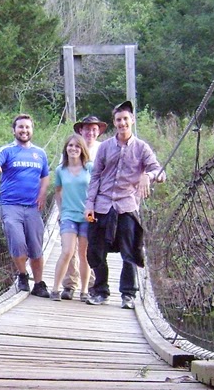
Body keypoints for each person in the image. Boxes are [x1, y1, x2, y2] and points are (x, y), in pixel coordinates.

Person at [84, 100, 165, 309]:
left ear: (132, 120)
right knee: (95, 250)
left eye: (125, 119)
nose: (122, 123)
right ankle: (100, 290)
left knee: (129, 251)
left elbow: (160, 171)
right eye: (118, 120)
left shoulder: (142, 148)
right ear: (114, 122)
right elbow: (96, 176)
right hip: (102, 205)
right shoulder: (105, 148)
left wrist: (149, 175)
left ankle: (128, 294)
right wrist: (89, 204)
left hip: (126, 205)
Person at [0, 114, 51, 298]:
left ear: (32, 130)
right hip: (10, 206)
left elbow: (45, 176)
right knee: (18, 243)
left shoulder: (40, 153)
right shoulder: (7, 150)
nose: (24, 130)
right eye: (20, 127)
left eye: (27, 127)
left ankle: (39, 284)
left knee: (36, 248)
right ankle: (22, 275)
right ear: (14, 130)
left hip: (32, 207)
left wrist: (43, 193)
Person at [60, 115, 107, 301]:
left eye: (94, 129)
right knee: (69, 249)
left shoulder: (104, 148)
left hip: (95, 206)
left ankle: (91, 286)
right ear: (81, 130)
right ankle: (70, 285)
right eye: (87, 129)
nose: (91, 132)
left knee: (91, 247)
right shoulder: (72, 147)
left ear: (98, 131)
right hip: (72, 208)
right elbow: (62, 178)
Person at [50, 134, 93, 301]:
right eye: (70, 146)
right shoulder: (61, 170)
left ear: (82, 149)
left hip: (86, 216)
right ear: (65, 148)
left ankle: (84, 291)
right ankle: (55, 289)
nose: (73, 149)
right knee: (67, 251)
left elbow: (97, 188)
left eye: (77, 146)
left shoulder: (89, 167)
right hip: (69, 215)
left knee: (84, 254)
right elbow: (58, 191)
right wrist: (61, 211)